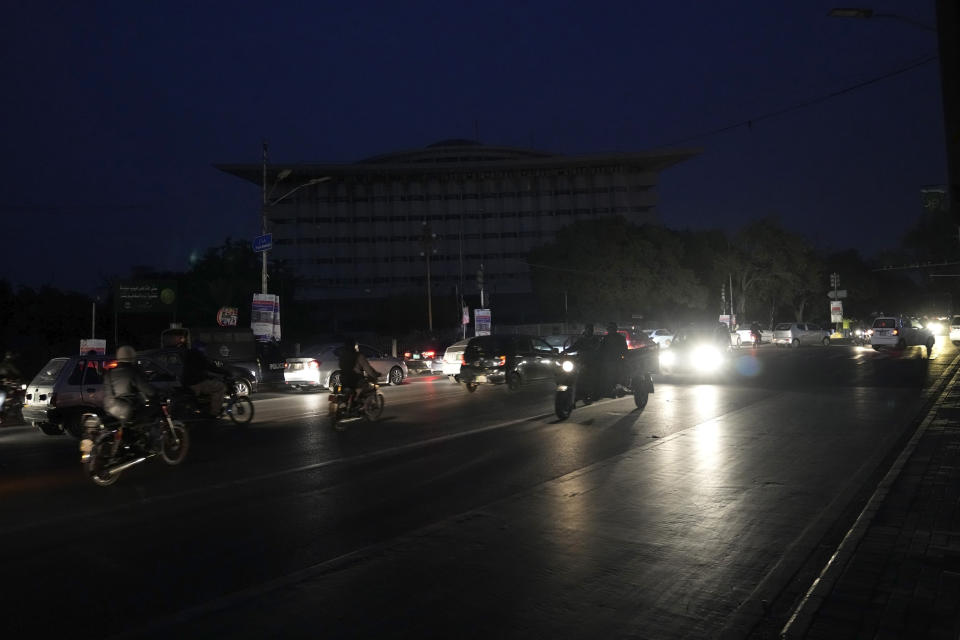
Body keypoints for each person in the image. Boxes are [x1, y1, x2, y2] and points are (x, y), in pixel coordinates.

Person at [103, 345, 162, 448]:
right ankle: (150, 445)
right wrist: (156, 395)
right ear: (131, 356)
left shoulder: (109, 372)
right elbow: (147, 389)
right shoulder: (132, 371)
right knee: (153, 414)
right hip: (127, 409)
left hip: (110, 409)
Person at [178, 339, 228, 417]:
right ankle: (214, 412)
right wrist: (225, 372)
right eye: (203, 348)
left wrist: (208, 375)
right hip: (196, 383)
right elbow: (210, 367)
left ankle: (207, 406)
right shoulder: (199, 356)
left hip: (188, 382)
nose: (205, 350)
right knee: (220, 387)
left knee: (210, 384)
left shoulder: (190, 355)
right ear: (200, 348)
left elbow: (198, 370)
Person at [337, 338, 382, 407]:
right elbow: (368, 368)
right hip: (355, 380)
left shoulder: (343, 355)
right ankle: (359, 403)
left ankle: (354, 403)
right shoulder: (358, 356)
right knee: (367, 387)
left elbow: (340, 365)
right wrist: (375, 374)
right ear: (354, 346)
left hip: (343, 379)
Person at [600, 322, 628, 396]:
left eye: (612, 329)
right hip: (607, 360)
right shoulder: (605, 338)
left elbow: (625, 350)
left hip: (617, 360)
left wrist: (622, 356)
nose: (611, 330)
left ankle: (618, 386)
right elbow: (600, 348)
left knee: (616, 373)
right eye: (610, 329)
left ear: (615, 329)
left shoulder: (621, 338)